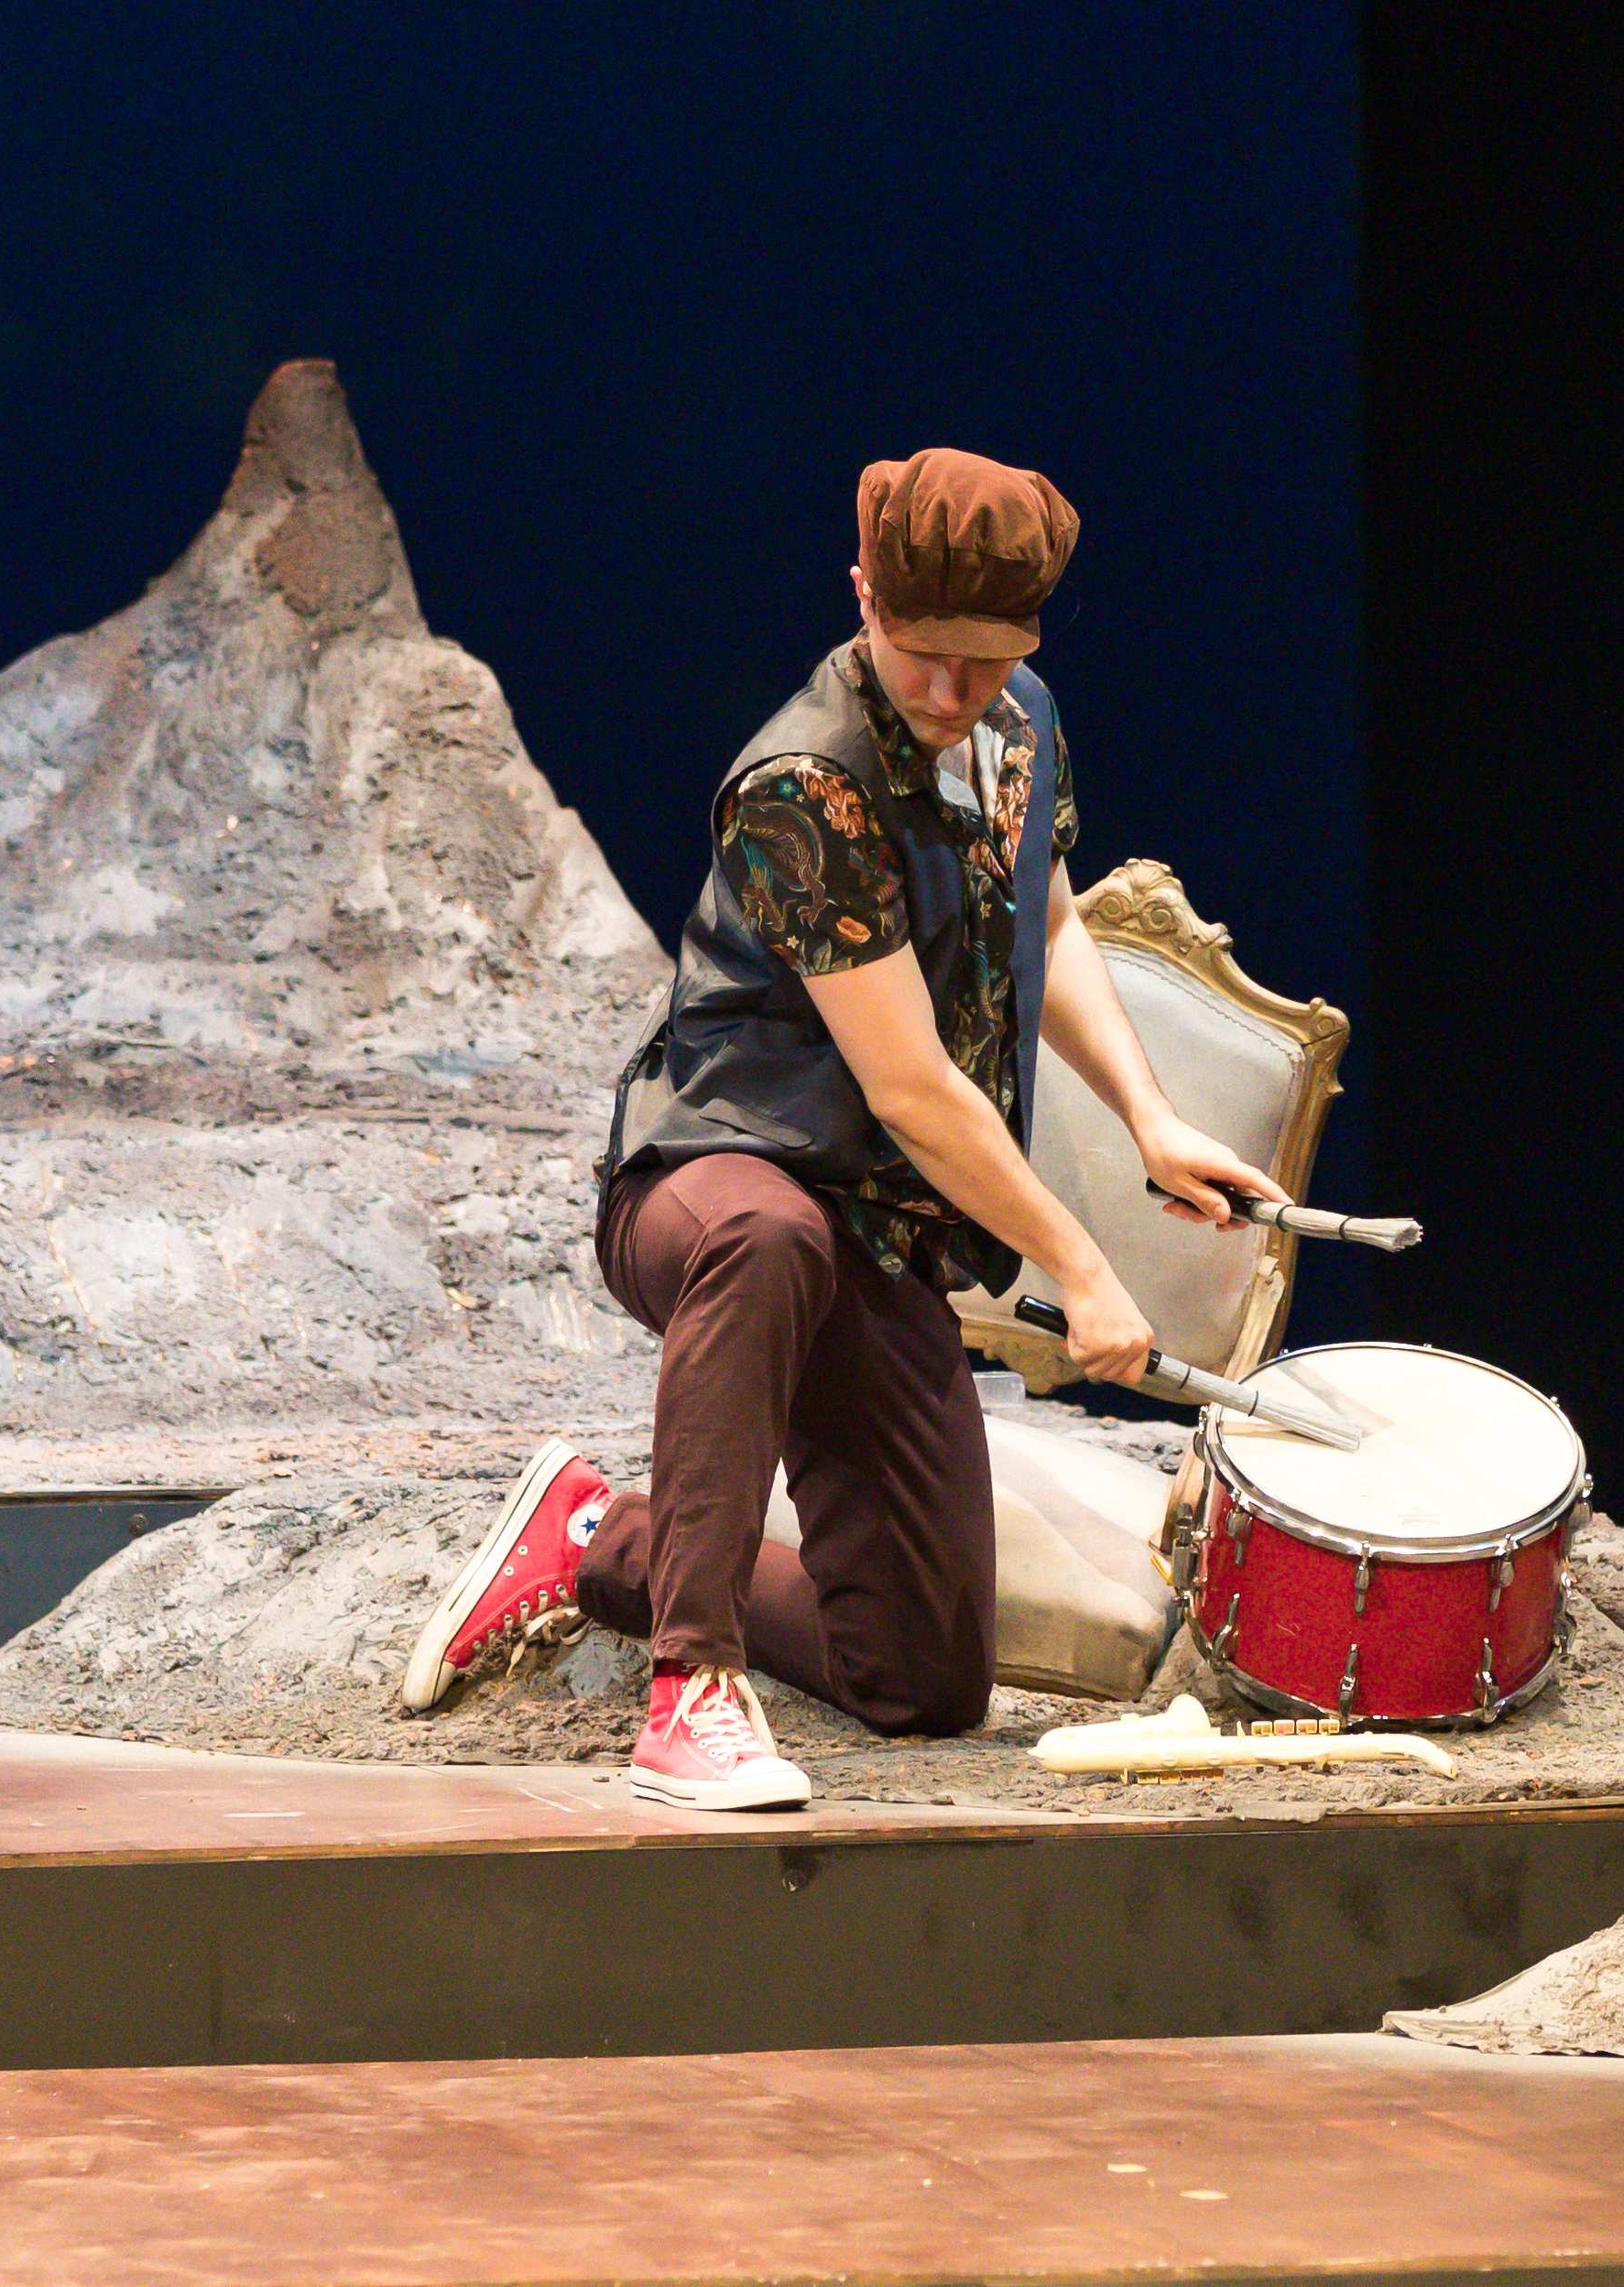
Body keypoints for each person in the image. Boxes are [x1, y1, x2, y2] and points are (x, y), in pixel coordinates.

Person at [393, 450, 1289, 1809]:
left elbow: (1044, 916)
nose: (952, 692)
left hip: (869, 1224)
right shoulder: (804, 783)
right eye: (924, 655)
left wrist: (1150, 1116)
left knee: (920, 1675)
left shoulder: (1021, 721)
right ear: (862, 592)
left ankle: (594, 1537)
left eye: (985, 662)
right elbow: (914, 1088)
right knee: (768, 1235)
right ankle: (690, 1692)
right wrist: (1083, 1265)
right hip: (712, 1174)